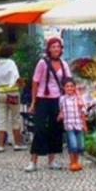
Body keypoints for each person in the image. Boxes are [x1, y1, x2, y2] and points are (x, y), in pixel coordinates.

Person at [26, 36, 72, 172]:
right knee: (39, 129)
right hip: (43, 98)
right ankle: (33, 161)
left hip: (57, 99)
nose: (56, 49)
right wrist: (33, 102)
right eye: (53, 47)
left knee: (55, 129)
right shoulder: (42, 63)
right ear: (49, 49)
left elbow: (68, 81)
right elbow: (35, 82)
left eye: (58, 46)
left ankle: (52, 160)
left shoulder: (64, 64)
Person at [0, 45, 21, 152]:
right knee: (15, 118)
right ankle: (17, 144)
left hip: (0, 94)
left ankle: (1, 146)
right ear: (11, 54)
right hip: (12, 93)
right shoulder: (11, 63)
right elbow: (16, 77)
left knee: (1, 119)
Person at [58, 79, 89, 172]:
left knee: (80, 146)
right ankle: (72, 162)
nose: (69, 88)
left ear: (75, 88)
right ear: (64, 88)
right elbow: (61, 109)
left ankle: (77, 161)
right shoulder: (62, 99)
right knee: (73, 145)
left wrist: (84, 125)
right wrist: (61, 115)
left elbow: (83, 111)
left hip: (79, 124)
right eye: (67, 86)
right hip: (69, 125)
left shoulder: (79, 98)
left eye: (71, 86)